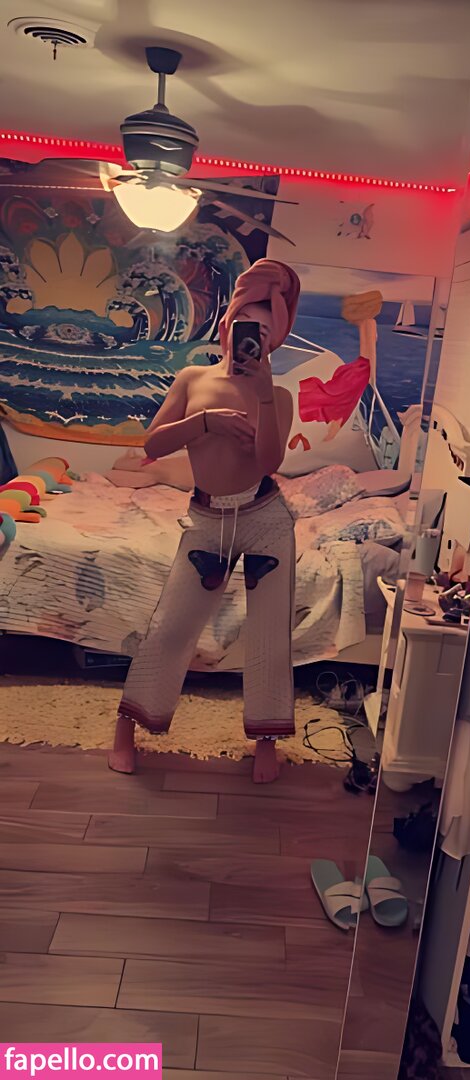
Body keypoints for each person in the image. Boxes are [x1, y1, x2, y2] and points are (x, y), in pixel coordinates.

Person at [109, 259, 300, 783]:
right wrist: (206, 421)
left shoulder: (279, 395)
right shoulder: (193, 379)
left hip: (265, 516)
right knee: (171, 627)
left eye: (266, 333)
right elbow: (152, 444)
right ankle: (127, 726)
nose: (254, 339)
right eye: (247, 327)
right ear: (228, 325)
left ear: (276, 339)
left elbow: (270, 462)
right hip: (206, 516)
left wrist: (264, 395)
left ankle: (266, 740)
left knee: (269, 635)